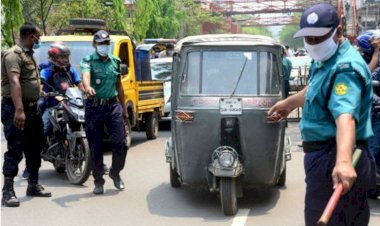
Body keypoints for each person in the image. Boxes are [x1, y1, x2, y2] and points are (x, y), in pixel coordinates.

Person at [268, 3, 376, 225]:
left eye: (319, 38)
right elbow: (315, 89)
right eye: (309, 39)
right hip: (324, 159)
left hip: (335, 158)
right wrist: (289, 104)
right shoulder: (327, 61)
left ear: (337, 32)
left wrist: (343, 161)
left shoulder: (345, 68)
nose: (313, 44)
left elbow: (345, 115)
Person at [1, 22, 52, 207]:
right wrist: (19, 110)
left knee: (35, 147)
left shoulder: (29, 55)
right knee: (15, 149)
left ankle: (33, 184)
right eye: (37, 35)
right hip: (16, 109)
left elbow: (28, 81)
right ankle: (7, 191)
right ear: (30, 35)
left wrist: (38, 93)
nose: (38, 39)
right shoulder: (13, 55)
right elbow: (14, 83)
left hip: (33, 108)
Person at [80, 30, 128, 195]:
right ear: (95, 45)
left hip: (113, 106)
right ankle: (98, 180)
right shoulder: (88, 61)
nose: (104, 46)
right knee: (96, 146)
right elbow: (85, 77)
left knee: (121, 143)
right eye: (100, 43)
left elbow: (119, 86)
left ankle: (115, 172)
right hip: (94, 107)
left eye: (106, 43)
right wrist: (88, 87)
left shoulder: (115, 61)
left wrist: (124, 109)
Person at [357, 30, 380, 199]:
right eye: (376, 42)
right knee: (373, 148)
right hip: (373, 111)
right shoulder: (359, 61)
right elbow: (368, 76)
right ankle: (373, 180)